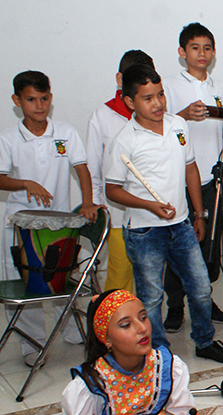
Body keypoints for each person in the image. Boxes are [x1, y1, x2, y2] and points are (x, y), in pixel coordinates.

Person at [104, 64, 223, 364]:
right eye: (148, 98)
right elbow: (112, 190)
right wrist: (149, 205)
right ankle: (158, 352)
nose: (158, 103)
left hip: (182, 225)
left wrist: (199, 213)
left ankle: (203, 341)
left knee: (201, 287)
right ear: (130, 102)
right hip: (144, 231)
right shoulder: (126, 139)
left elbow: (190, 167)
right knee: (151, 299)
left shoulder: (178, 125)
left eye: (160, 94)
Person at [42, 290, 209, 415]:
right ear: (107, 339)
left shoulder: (168, 365)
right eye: (126, 325)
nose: (142, 329)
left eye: (143, 317)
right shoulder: (87, 386)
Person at [0, 70, 97, 366]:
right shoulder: (8, 138)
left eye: (44, 98)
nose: (39, 105)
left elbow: (82, 168)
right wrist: (26, 183)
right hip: (20, 225)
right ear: (17, 101)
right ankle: (30, 344)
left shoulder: (66, 132)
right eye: (31, 99)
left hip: (60, 223)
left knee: (62, 279)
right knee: (26, 283)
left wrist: (87, 202)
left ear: (51, 97)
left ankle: (72, 333)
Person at [163, 22, 223, 331]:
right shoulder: (170, 86)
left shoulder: (219, 89)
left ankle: (204, 299)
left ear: (214, 53)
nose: (201, 54)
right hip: (180, 179)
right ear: (182, 52)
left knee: (207, 247)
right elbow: (158, 124)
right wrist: (183, 115)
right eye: (194, 48)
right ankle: (175, 305)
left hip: (212, 179)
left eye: (206, 48)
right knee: (178, 245)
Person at [87, 49, 155, 293]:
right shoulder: (103, 115)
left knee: (150, 274)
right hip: (117, 211)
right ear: (120, 80)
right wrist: (96, 203)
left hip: (151, 209)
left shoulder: (157, 115)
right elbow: (93, 165)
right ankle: (112, 327)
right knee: (120, 272)